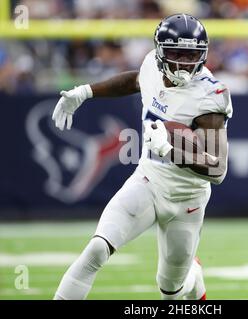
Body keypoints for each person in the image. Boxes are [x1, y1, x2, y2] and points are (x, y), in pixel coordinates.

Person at [52, 13, 233, 300]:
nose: (184, 63)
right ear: (161, 52)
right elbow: (135, 82)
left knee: (171, 290)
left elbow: (218, 169)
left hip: (187, 201)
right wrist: (85, 92)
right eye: (176, 53)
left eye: (192, 54)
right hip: (148, 182)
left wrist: (171, 151)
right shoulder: (151, 64)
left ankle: (193, 277)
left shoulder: (210, 96)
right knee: (97, 249)